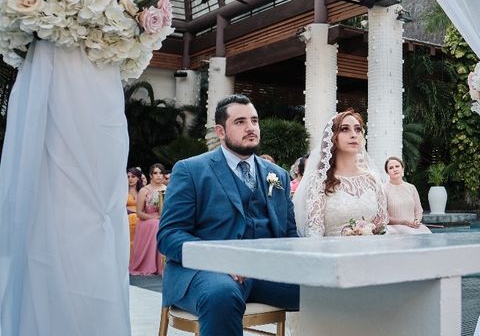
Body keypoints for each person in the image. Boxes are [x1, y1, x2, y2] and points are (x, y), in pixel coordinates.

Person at [157, 94, 298, 335]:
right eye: (240, 122)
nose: (251, 127)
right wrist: (220, 260)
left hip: (266, 272)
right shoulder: (191, 170)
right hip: (207, 274)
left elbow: (290, 235)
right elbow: (169, 236)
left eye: (254, 120)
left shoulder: (279, 175)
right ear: (220, 131)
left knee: (328, 289)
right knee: (222, 293)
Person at [293, 109, 388, 237]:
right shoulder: (320, 180)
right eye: (344, 129)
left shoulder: (372, 179)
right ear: (333, 138)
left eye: (358, 129)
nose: (354, 134)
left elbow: (381, 228)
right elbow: (315, 232)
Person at [129, 163, 167, 276]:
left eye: (161, 173)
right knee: (156, 224)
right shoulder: (144, 191)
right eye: (155, 173)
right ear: (150, 175)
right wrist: (154, 217)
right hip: (147, 220)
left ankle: (165, 265)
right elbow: (139, 213)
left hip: (164, 218)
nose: (158, 176)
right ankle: (151, 264)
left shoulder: (168, 189)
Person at [383, 157, 431, 235]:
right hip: (395, 228)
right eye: (391, 168)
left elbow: (419, 211)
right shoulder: (384, 189)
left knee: (427, 234)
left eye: (397, 166)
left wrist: (417, 221)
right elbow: (385, 217)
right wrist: (404, 222)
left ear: (402, 168)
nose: (395, 169)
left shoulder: (411, 188)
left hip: (413, 226)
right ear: (387, 172)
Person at [126, 167, 144, 252]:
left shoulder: (143, 191)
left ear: (138, 178)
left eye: (133, 176)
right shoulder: (123, 191)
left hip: (141, 219)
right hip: (127, 219)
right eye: (128, 177)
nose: (130, 179)